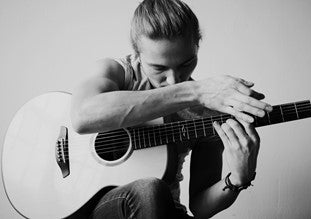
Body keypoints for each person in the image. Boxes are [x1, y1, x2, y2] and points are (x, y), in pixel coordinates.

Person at [71, 0, 272, 218]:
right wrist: (195, 91)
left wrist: (237, 179)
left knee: (156, 194)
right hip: (99, 207)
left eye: (186, 63)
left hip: (166, 212)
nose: (174, 80)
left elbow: (201, 207)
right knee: (149, 189)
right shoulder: (118, 72)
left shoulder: (207, 112)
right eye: (158, 68)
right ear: (137, 53)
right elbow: (83, 116)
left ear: (197, 47)